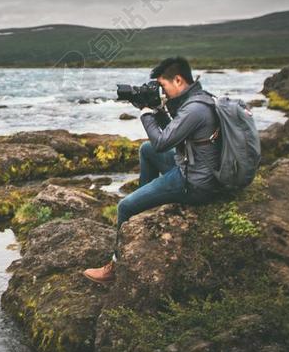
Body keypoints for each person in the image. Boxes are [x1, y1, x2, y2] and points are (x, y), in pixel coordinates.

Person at [83, 56, 225, 284]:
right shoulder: (200, 100)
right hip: (196, 167)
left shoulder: (194, 109)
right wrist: (159, 110)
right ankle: (144, 208)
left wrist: (146, 112)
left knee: (124, 206)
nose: (162, 91)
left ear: (178, 80)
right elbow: (173, 135)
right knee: (146, 149)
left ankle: (115, 267)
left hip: (194, 183)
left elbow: (162, 142)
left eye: (163, 85)